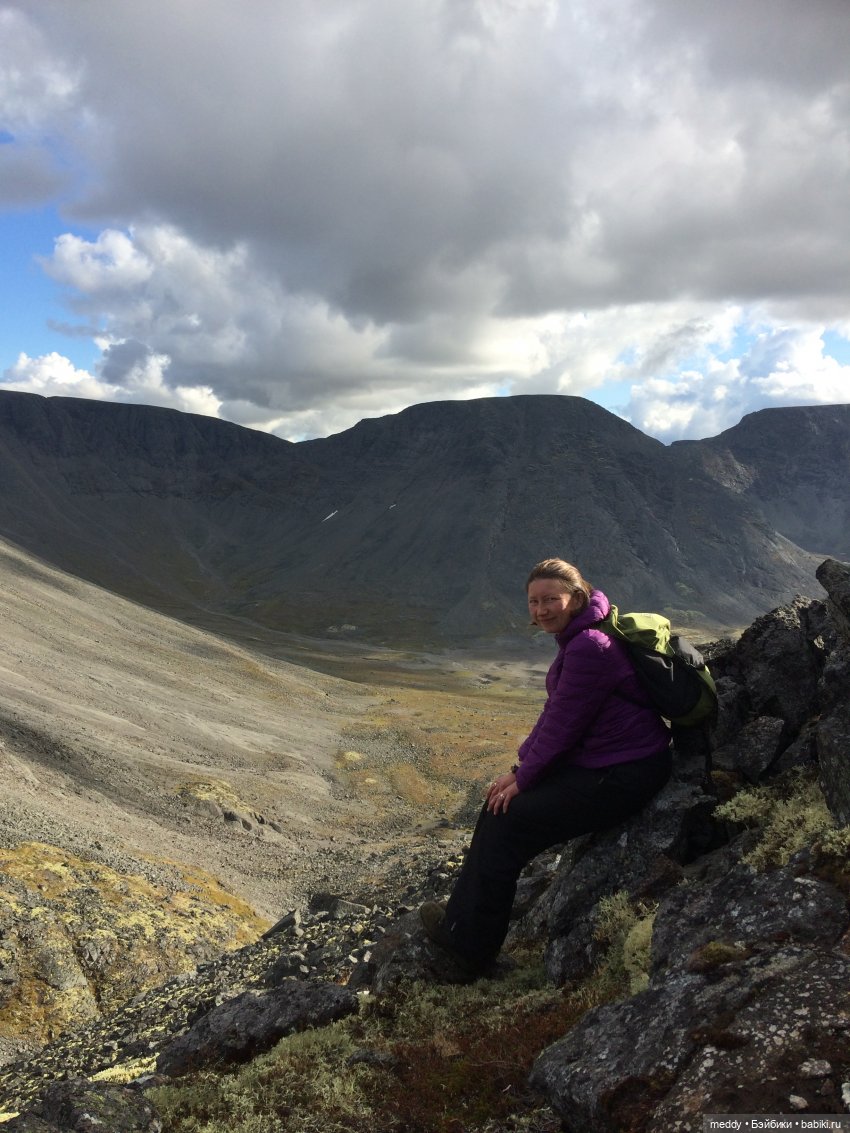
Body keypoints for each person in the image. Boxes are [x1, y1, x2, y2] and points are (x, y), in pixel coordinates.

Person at [419, 558, 672, 977]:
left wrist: (525, 778)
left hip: (626, 773)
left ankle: (468, 953)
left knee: (506, 822)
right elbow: (557, 713)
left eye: (550, 600)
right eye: (534, 602)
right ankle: (461, 929)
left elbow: (563, 726)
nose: (541, 610)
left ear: (575, 597)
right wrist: (520, 769)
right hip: (606, 764)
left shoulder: (590, 646)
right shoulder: (580, 638)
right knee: (497, 808)